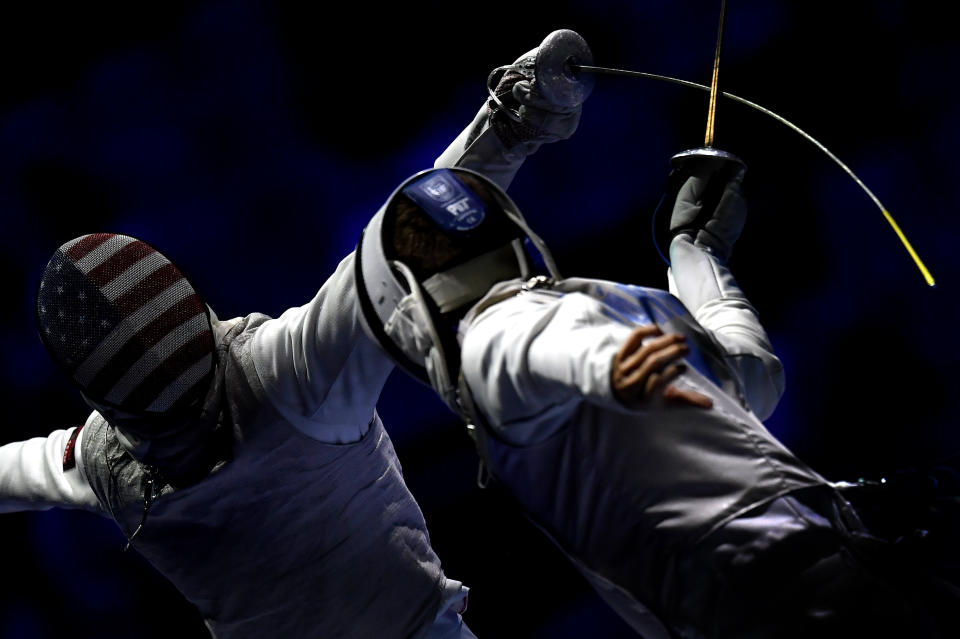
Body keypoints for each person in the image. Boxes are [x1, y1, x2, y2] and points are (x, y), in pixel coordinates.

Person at [0, 35, 586, 639]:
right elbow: (404, 234)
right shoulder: (267, 387)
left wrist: (510, 124)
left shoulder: (131, 451)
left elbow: (401, 236)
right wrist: (512, 125)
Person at [354, 156, 959, 638]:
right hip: (844, 566)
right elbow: (750, 379)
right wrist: (696, 255)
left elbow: (523, 346)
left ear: (404, 311)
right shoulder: (616, 305)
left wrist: (608, 365)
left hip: (782, 601)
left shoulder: (499, 336)